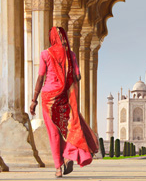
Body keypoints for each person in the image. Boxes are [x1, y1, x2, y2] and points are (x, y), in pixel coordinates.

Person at [30, 26, 99, 177]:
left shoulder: (45, 54)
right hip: (64, 98)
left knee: (54, 132)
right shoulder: (71, 55)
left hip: (48, 98)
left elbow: (41, 77)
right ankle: (68, 155)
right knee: (67, 130)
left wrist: (34, 100)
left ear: (51, 38)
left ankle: (57, 168)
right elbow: (77, 77)